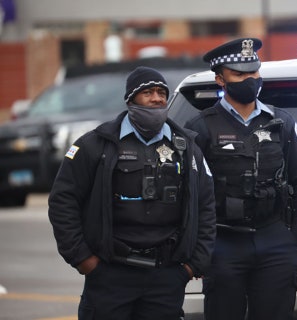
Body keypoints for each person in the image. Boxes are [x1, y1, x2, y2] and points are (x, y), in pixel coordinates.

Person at [48, 66, 216, 320]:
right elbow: (63, 201)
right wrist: (83, 259)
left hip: (166, 275)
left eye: (161, 92)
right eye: (148, 92)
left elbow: (205, 205)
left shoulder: (187, 147)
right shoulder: (96, 144)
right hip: (109, 273)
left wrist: (192, 267)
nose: (157, 98)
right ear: (130, 99)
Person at [184, 38, 297, 320]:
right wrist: (201, 247)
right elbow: (190, 195)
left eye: (254, 73)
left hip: (275, 239)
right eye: (239, 75)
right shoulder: (200, 127)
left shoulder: (282, 123)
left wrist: (294, 238)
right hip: (223, 241)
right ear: (220, 80)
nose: (250, 80)